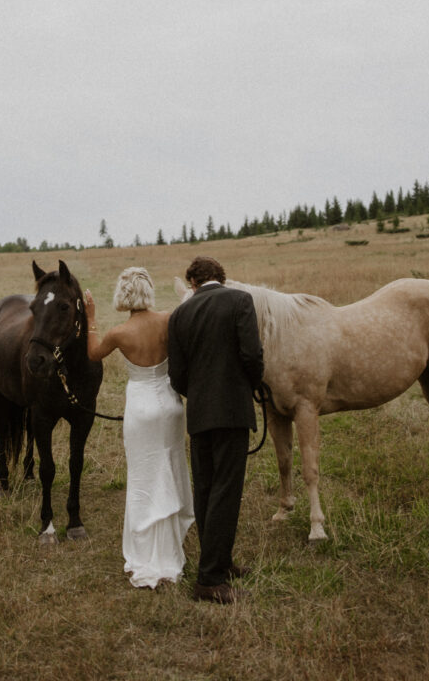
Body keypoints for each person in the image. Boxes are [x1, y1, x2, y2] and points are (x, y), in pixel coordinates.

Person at [85, 267, 194, 589]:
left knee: (144, 474)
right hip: (172, 405)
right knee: (171, 467)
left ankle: (148, 551)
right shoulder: (168, 320)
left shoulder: (120, 333)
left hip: (141, 407)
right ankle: (172, 541)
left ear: (123, 295)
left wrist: (90, 318)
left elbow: (93, 354)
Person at [168, 256, 263, 604]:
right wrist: (251, 386)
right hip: (232, 410)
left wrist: (202, 395)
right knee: (226, 490)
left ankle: (218, 563)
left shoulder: (180, 314)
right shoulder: (240, 301)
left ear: (192, 282)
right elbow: (252, 355)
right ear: (221, 278)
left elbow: (176, 374)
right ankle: (209, 580)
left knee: (206, 489)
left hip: (200, 413)